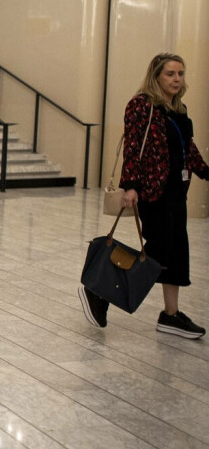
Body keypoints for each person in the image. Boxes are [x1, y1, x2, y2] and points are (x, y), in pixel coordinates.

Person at [79, 53, 208, 337]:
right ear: (156, 76)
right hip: (153, 191)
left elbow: (187, 148)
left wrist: (205, 171)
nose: (177, 79)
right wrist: (131, 185)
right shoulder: (141, 105)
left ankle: (170, 315)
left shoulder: (179, 108)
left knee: (176, 253)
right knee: (157, 252)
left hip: (177, 191)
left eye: (181, 74)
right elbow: (133, 146)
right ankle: (99, 291)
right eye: (170, 74)